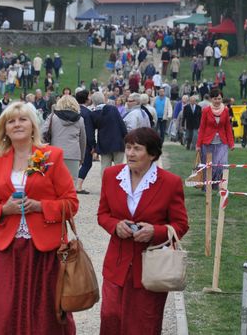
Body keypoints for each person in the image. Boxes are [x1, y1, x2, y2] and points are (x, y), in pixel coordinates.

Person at [0, 101, 79, 334]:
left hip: (45, 249)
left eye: (22, 119)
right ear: (4, 129)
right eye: (11, 121)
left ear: (33, 125)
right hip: (8, 248)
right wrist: (5, 210)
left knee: (44, 311)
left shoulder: (51, 156)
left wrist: (40, 206)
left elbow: (71, 202)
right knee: (5, 309)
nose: (17, 125)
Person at [97, 127, 189, 335]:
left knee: (143, 324)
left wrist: (155, 232)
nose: (130, 153)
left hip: (151, 268)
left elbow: (181, 224)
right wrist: (115, 226)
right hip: (116, 264)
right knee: (110, 317)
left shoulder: (170, 182)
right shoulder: (111, 175)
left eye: (137, 149)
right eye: (128, 147)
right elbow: (103, 214)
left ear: (153, 154)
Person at [41, 95, 86, 188]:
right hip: (73, 154)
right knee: (72, 184)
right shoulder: (80, 119)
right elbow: (83, 140)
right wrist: (81, 157)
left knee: (55, 182)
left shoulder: (53, 117)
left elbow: (42, 132)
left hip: (55, 153)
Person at [196, 88, 234, 186]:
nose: (217, 101)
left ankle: (218, 184)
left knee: (221, 164)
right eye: (215, 99)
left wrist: (231, 143)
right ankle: (206, 185)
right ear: (211, 99)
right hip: (208, 142)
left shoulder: (226, 110)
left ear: (222, 99)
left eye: (219, 99)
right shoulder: (206, 110)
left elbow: (228, 128)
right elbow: (202, 128)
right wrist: (198, 145)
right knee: (208, 166)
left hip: (222, 142)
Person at [91, 92, 128, 174]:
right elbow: (121, 124)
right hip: (117, 141)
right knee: (118, 167)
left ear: (93, 102)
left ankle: (105, 185)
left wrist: (94, 145)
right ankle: (118, 185)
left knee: (105, 167)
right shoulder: (113, 109)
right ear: (103, 99)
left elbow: (92, 130)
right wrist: (127, 138)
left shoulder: (93, 113)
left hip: (104, 143)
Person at [75, 90, 96, 195]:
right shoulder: (87, 113)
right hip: (84, 141)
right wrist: (93, 144)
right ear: (86, 99)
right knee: (87, 163)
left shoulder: (74, 110)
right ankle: (78, 186)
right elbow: (89, 131)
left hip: (73, 139)